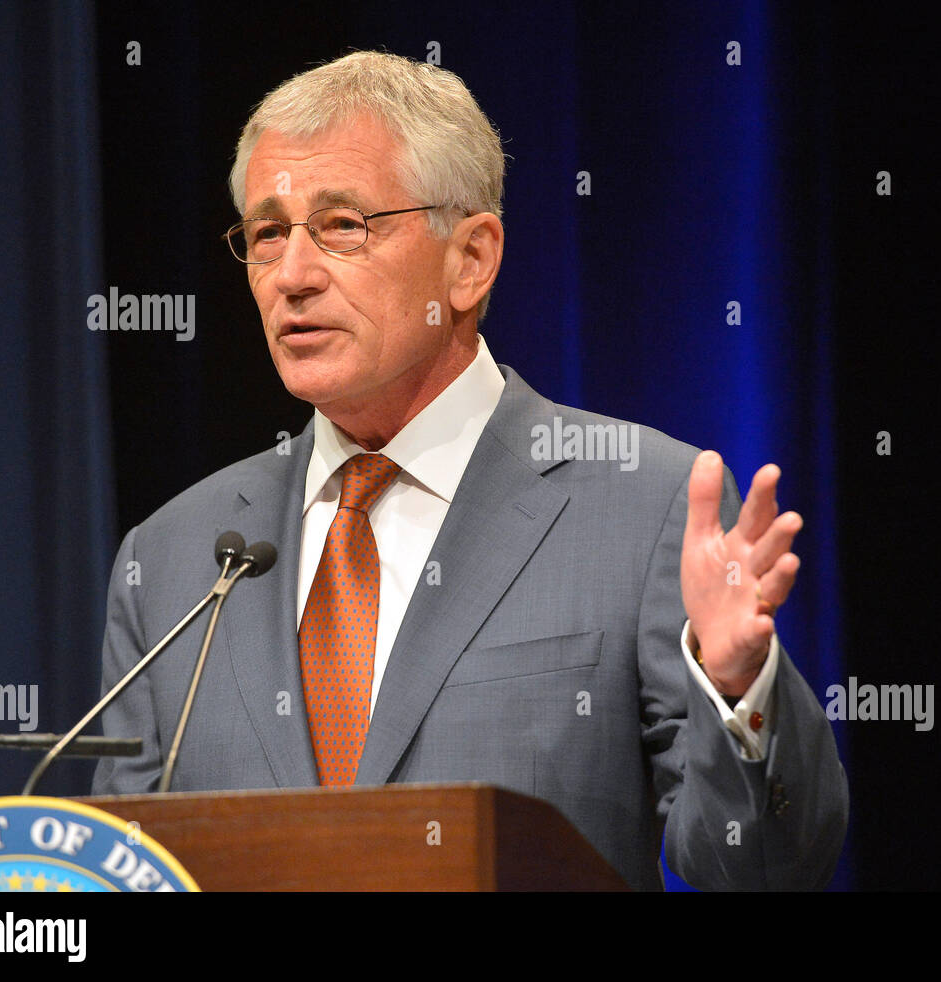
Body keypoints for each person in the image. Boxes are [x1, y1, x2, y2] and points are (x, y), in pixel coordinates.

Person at [92, 50, 847, 891]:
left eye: (343, 225)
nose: (293, 276)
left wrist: (737, 687)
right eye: (268, 234)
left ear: (472, 259)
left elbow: (762, 870)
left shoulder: (639, 508)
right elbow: (123, 870)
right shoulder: (169, 562)